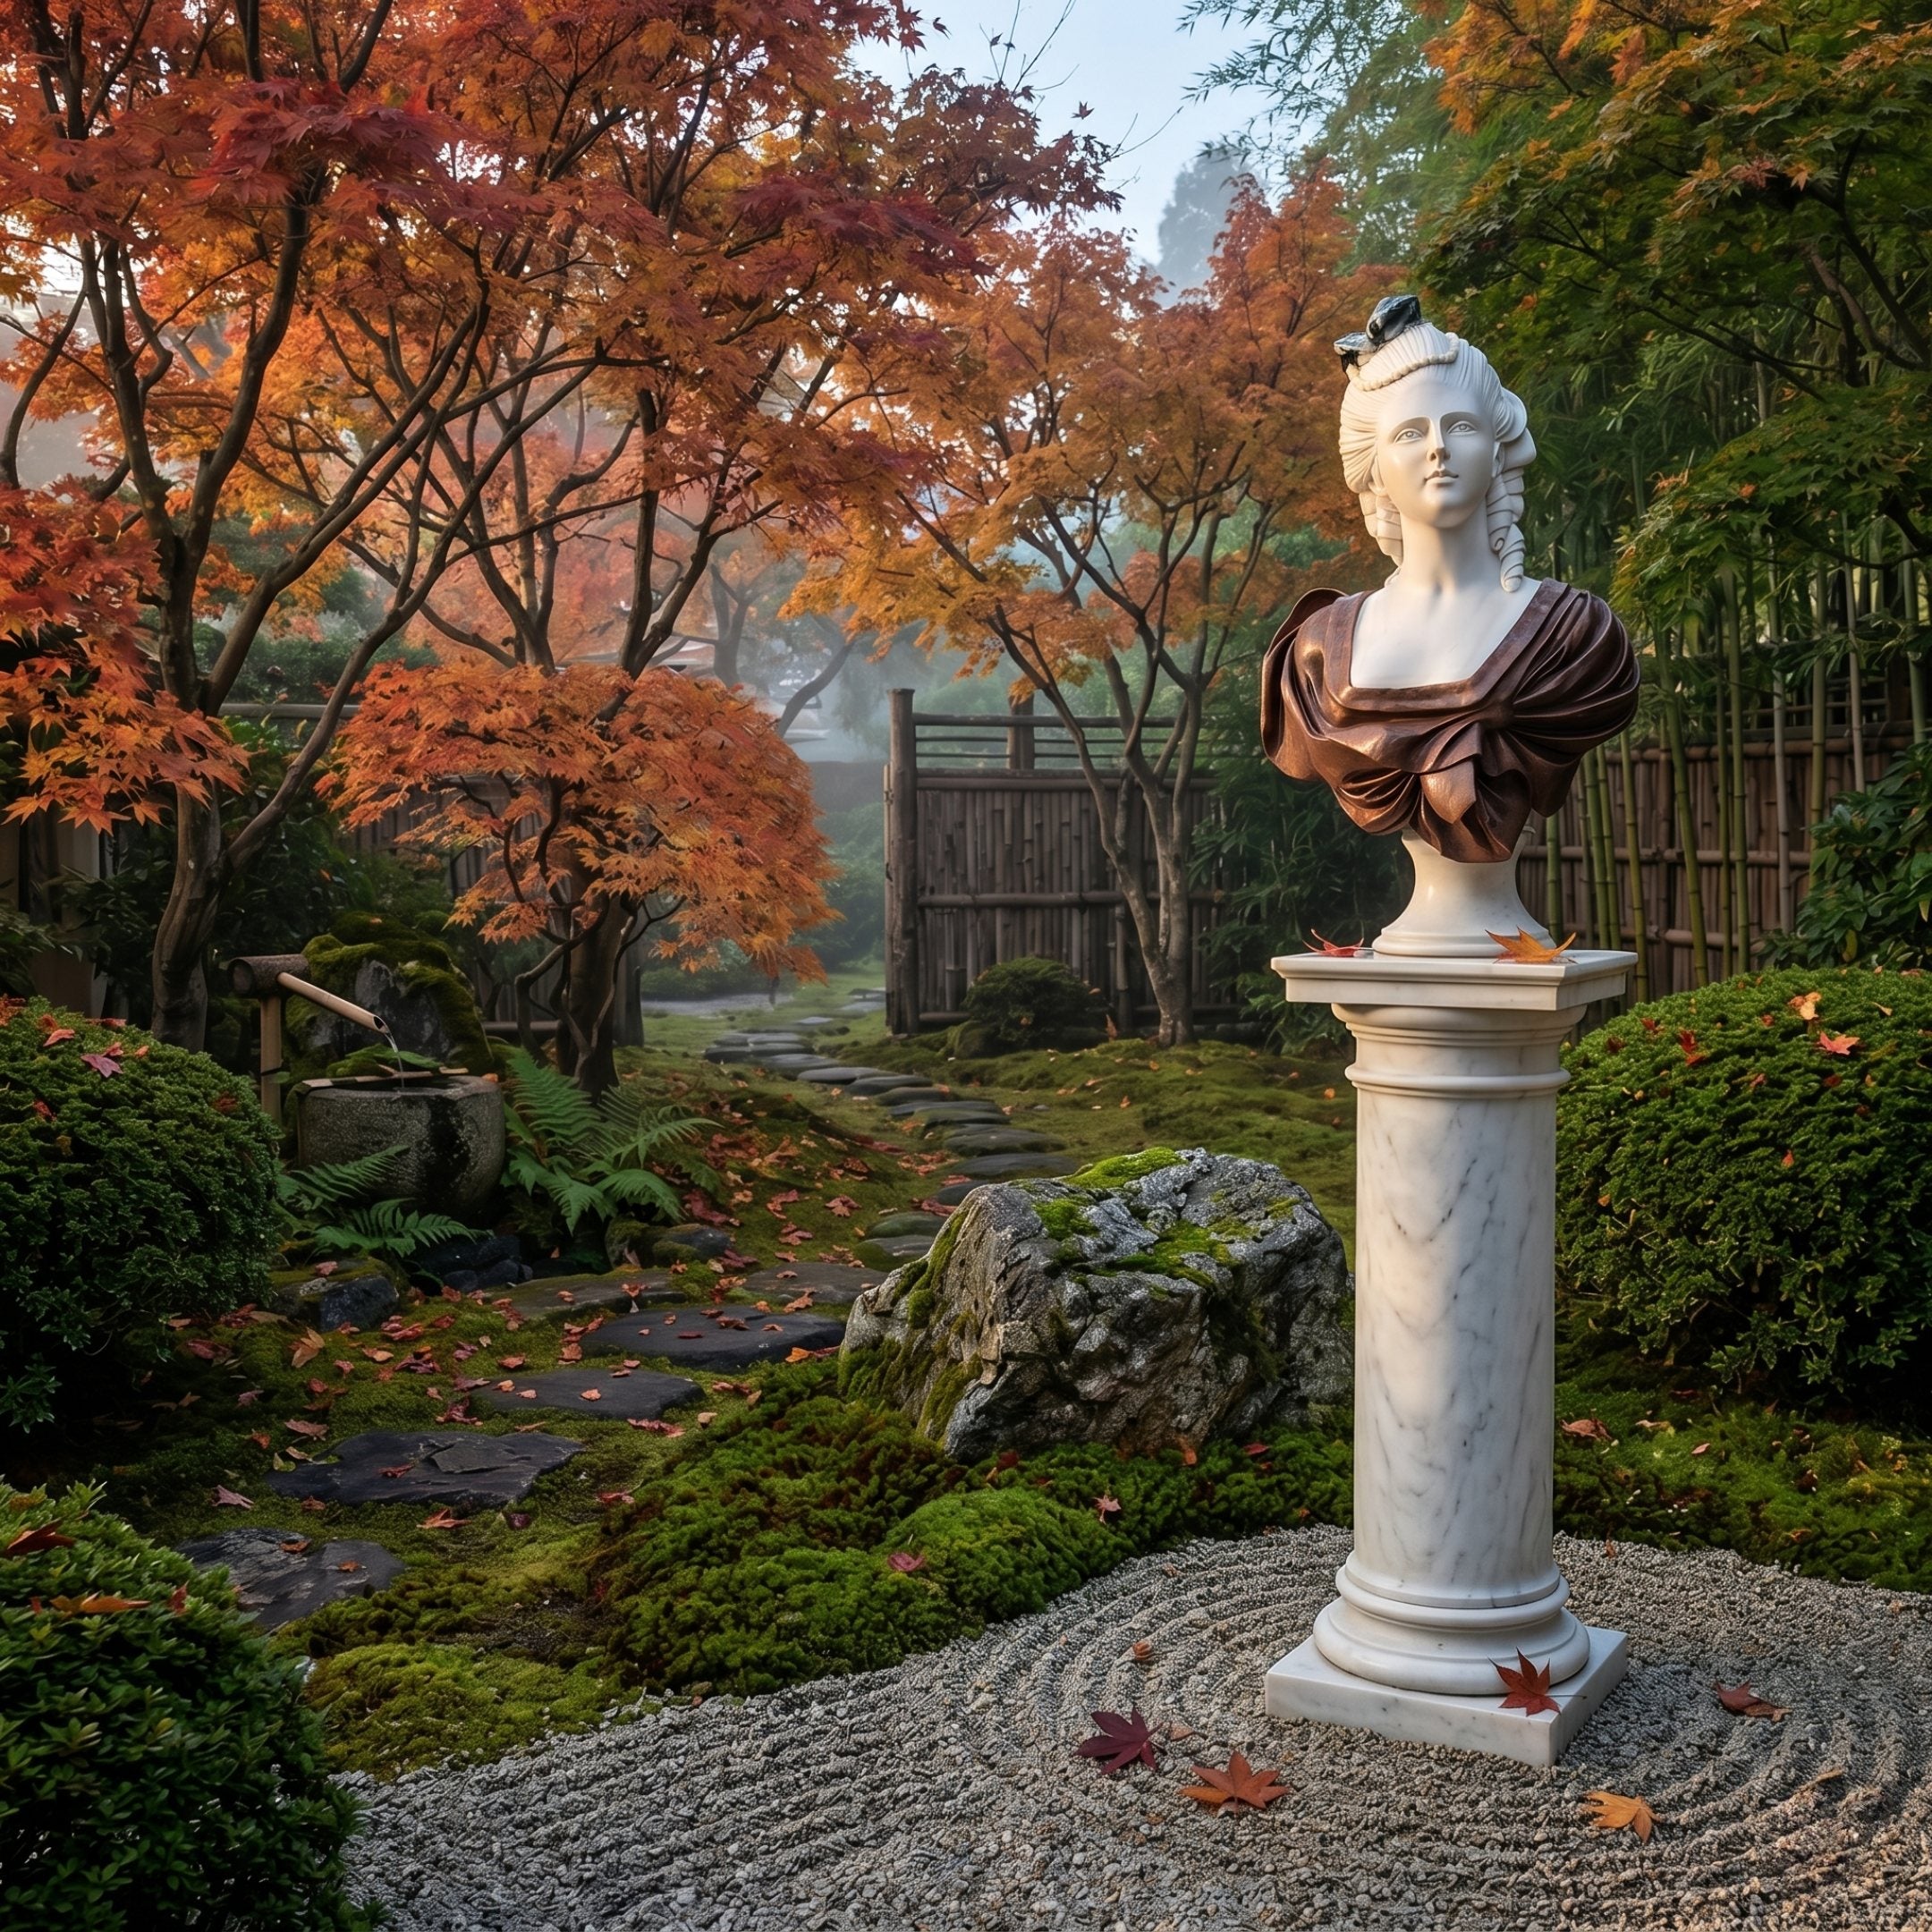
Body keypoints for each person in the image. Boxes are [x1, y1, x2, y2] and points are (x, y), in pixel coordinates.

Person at [1262, 296, 1639, 864]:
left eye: (1460, 425)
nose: (1438, 446)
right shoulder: (1316, 653)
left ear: (1497, 450)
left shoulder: (1576, 638)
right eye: (1409, 434)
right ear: (1374, 469)